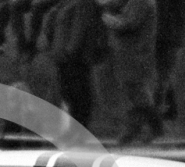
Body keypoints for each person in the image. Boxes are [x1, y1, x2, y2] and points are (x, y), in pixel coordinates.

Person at [96, 0, 162, 145]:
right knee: (133, 94)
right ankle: (133, 131)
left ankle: (155, 127)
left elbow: (130, 23)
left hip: (135, 55)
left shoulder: (143, 2)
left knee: (138, 93)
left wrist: (110, 20)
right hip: (129, 55)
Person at [41, 0, 107, 129]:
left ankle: (80, 129)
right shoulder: (65, 4)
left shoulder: (82, 4)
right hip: (62, 56)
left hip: (75, 58)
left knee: (78, 94)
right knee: (68, 94)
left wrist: (70, 51)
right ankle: (74, 128)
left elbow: (80, 28)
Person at [155, 0, 185, 121]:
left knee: (163, 75)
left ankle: (162, 108)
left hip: (165, 37)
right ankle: (165, 108)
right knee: (164, 75)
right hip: (168, 37)